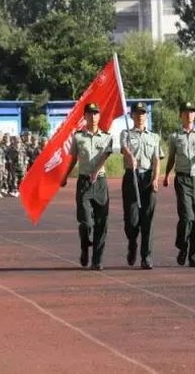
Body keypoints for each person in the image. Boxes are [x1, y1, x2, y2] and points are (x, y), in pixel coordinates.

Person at [62, 103, 113, 271]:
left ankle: (97, 260)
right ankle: (85, 245)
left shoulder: (106, 137)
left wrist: (97, 171)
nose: (93, 117)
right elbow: (73, 159)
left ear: (99, 117)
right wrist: (65, 176)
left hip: (100, 183)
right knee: (86, 222)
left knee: (101, 222)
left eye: (96, 114)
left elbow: (105, 155)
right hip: (84, 182)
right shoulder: (78, 137)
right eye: (90, 114)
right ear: (84, 117)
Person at [164, 102, 195, 268]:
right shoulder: (175, 136)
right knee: (187, 217)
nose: (188, 115)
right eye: (185, 112)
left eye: (191, 112)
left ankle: (193, 254)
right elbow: (171, 158)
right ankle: (182, 245)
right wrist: (167, 175)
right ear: (181, 115)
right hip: (182, 179)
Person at [120, 102, 164, 269]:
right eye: (137, 113)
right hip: (131, 177)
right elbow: (124, 148)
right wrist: (129, 155)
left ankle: (146, 257)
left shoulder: (154, 137)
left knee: (148, 219)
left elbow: (156, 160)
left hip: (148, 178)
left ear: (146, 116)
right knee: (132, 221)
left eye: (143, 113)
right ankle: (132, 243)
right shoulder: (126, 133)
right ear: (132, 115)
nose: (140, 116)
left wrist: (155, 179)